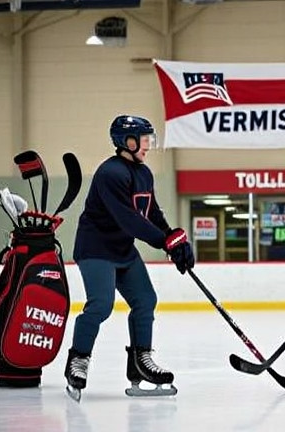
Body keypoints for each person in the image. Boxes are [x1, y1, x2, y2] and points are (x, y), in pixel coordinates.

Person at [64, 115, 195, 401]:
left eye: (149, 139)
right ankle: (78, 360)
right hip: (96, 248)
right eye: (144, 139)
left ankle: (140, 361)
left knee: (145, 300)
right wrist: (164, 243)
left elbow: (151, 212)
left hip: (122, 249)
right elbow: (129, 220)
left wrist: (173, 237)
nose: (148, 145)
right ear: (128, 141)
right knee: (101, 305)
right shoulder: (110, 173)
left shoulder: (144, 173)